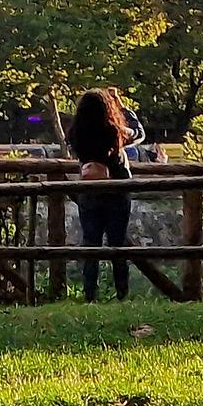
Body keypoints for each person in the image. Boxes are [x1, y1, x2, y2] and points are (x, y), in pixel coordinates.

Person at [67, 87, 134, 302]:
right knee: (118, 245)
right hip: (117, 192)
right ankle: (122, 294)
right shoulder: (114, 131)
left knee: (91, 244)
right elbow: (138, 132)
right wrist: (123, 106)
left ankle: (89, 295)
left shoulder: (77, 134)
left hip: (89, 192)